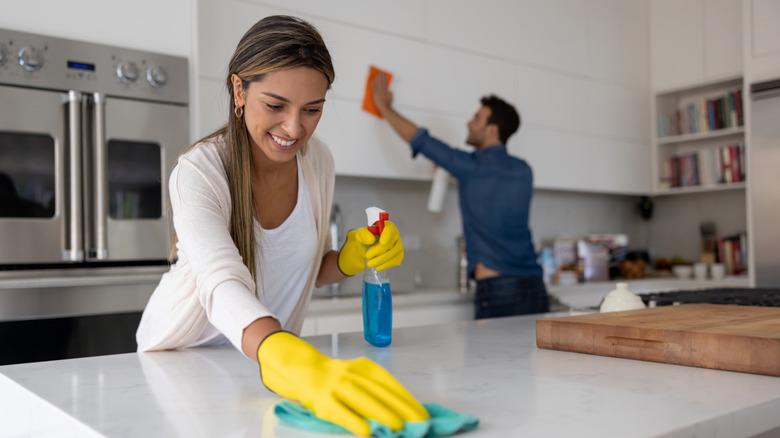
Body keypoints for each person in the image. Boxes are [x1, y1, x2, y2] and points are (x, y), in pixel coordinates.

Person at [136, 16, 427, 436]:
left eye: (312, 110)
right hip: (180, 366)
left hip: (267, 366)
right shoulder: (199, 171)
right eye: (275, 106)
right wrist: (291, 358)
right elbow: (223, 283)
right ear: (239, 90)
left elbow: (294, 271)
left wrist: (347, 259)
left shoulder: (317, 162)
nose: (294, 128)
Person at [371, 74, 549, 319]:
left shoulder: (471, 167)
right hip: (534, 287)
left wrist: (384, 106)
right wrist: (452, 168)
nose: (469, 123)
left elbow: (420, 140)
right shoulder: (523, 171)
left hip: (498, 290)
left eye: (477, 118)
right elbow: (492, 194)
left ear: (492, 130)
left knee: (493, 359)